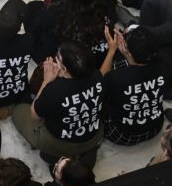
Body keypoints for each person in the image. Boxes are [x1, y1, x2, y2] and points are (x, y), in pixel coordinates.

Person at [13, 35, 113, 166]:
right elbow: (104, 73)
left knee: (19, 110)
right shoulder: (96, 76)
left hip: (59, 142)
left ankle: (56, 154)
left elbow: (35, 114)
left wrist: (47, 81)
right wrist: (112, 50)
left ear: (64, 69)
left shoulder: (55, 89)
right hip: (93, 136)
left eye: (58, 58)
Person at [102, 27, 165, 145]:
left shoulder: (115, 76)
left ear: (128, 52)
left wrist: (112, 51)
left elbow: (98, 85)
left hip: (122, 134)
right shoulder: (165, 68)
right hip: (155, 127)